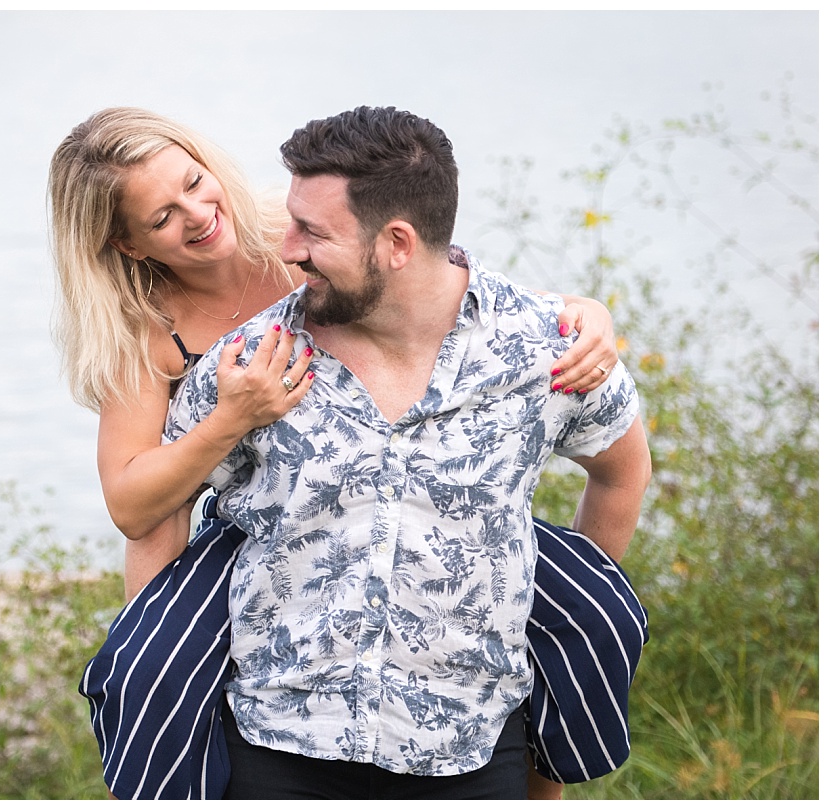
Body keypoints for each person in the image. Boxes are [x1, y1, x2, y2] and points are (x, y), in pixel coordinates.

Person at [50, 108, 641, 798]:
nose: (198, 213)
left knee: (596, 613)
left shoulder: (286, 226)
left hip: (428, 480)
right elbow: (139, 506)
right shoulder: (144, 332)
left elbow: (430, 270)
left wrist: (579, 312)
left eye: (194, 181)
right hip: (267, 511)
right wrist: (231, 419)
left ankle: (549, 765)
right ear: (129, 246)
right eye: (161, 218)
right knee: (150, 672)